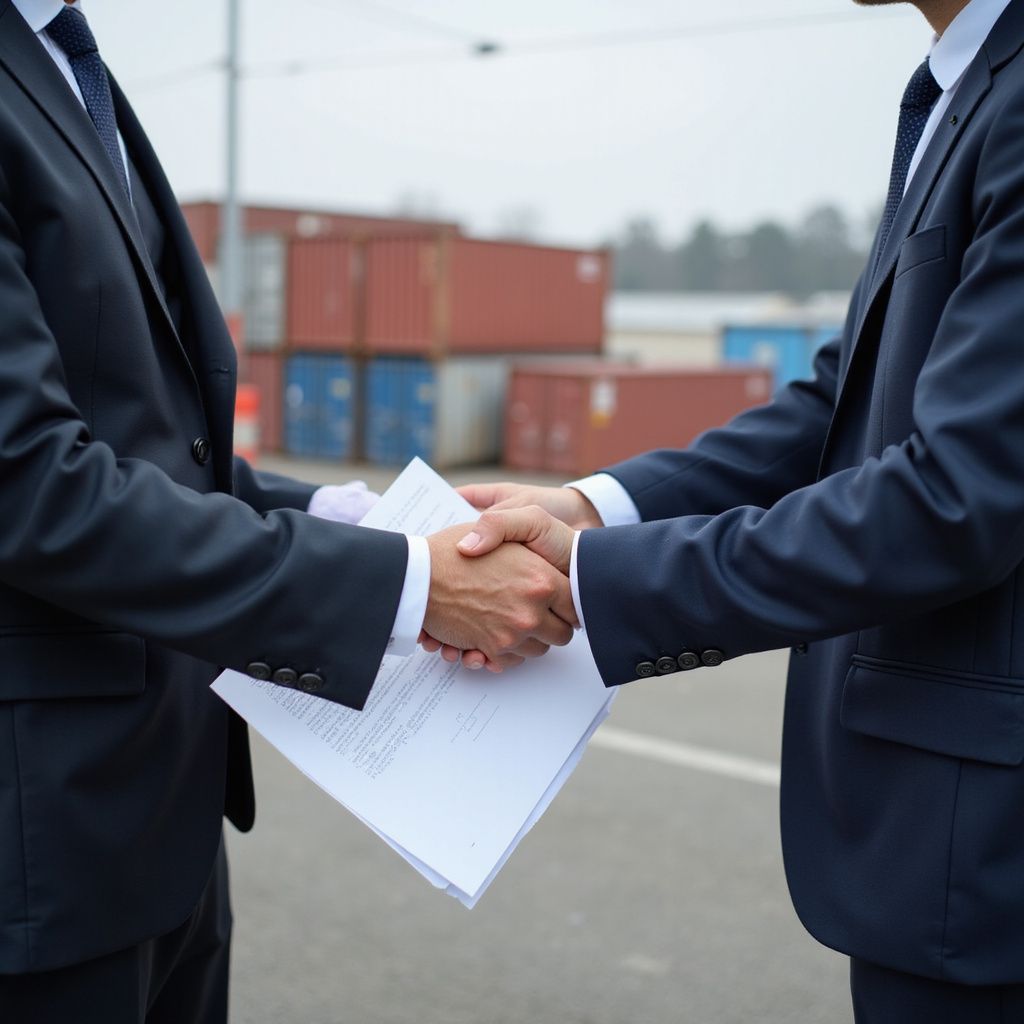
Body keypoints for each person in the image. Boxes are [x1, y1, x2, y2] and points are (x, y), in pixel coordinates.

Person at [443, 0, 1024, 1017]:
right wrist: (593, 507)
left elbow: (956, 493)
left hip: (983, 850)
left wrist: (590, 581)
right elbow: (841, 403)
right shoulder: (959, 85)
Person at [0, 1, 576, 1020]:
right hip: (37, 846)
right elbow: (30, 481)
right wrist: (409, 588)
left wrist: (367, 526)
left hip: (152, 830)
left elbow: (152, 447)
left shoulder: (64, 62)